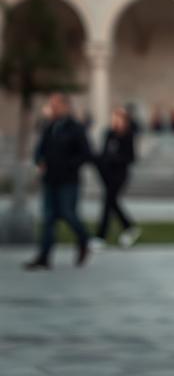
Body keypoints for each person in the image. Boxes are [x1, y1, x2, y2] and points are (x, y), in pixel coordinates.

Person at [24, 90, 93, 270]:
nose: (52, 108)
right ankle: (44, 257)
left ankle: (84, 239)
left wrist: (68, 165)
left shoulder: (76, 128)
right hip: (50, 180)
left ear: (65, 106)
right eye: (51, 105)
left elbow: (86, 154)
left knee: (68, 214)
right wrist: (39, 161)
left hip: (68, 181)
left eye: (55, 105)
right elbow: (40, 150)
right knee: (48, 219)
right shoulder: (49, 127)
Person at [90, 106, 141, 249]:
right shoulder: (109, 134)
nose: (115, 121)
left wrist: (114, 158)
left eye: (118, 118)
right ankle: (129, 227)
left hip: (119, 174)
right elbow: (104, 152)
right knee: (111, 202)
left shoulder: (128, 135)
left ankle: (101, 237)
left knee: (108, 203)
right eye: (114, 117)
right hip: (107, 173)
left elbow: (130, 157)